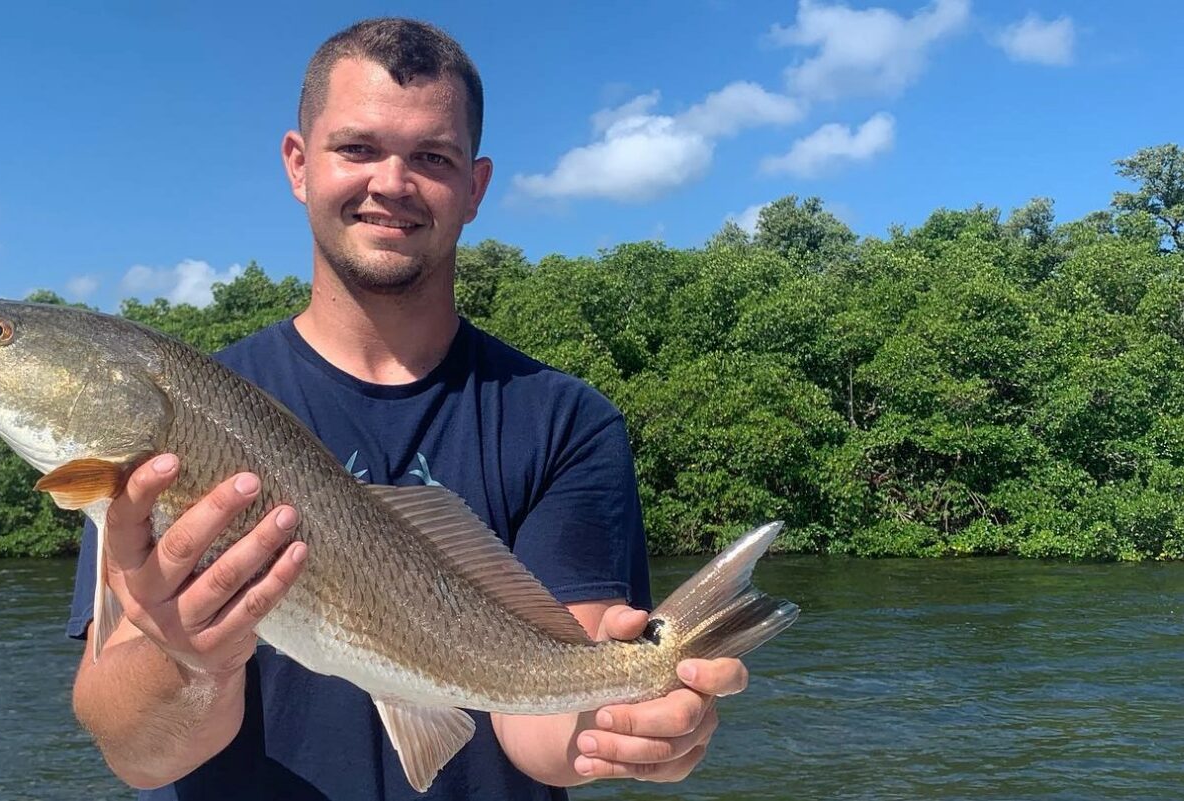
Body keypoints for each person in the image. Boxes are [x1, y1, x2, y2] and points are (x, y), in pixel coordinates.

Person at [67, 17, 750, 800]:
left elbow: (543, 723)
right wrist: (186, 654)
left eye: (431, 156)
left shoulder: (566, 420)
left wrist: (623, 719)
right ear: (298, 163)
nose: (391, 183)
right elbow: (134, 751)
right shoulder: (184, 415)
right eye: (356, 148)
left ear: (475, 186)